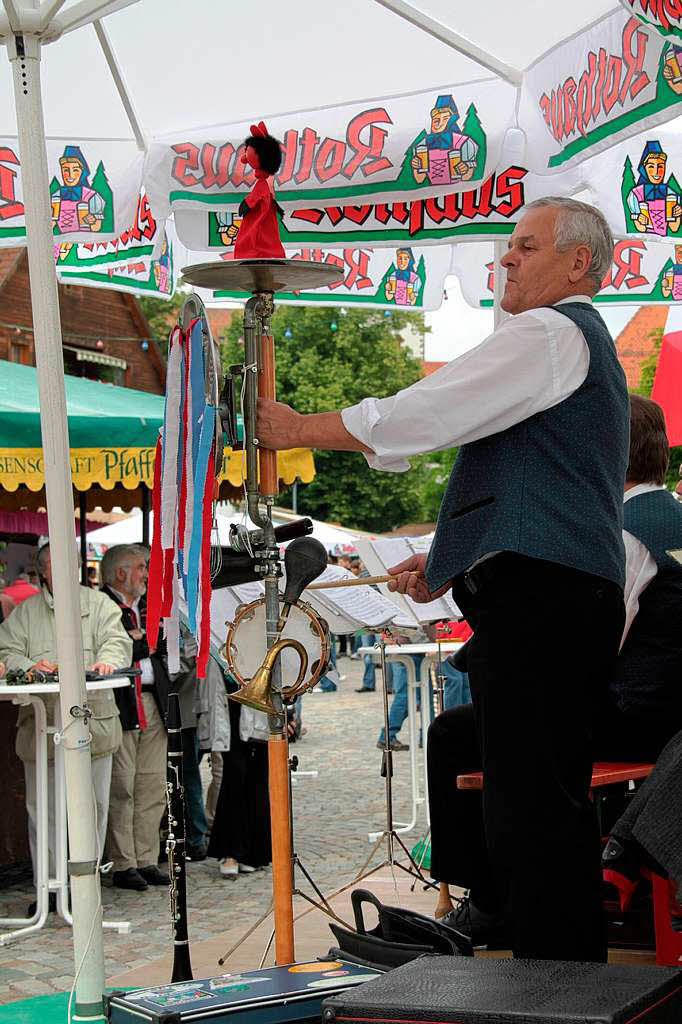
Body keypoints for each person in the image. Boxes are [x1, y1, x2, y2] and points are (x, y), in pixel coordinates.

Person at [256, 197, 628, 963]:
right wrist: (454, 560)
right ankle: (551, 973)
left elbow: (422, 414)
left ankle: (557, 984)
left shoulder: (552, 332)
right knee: (530, 803)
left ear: (578, 262)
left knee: (531, 809)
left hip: (549, 602)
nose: (507, 259)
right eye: (508, 247)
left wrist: (297, 430)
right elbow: (530, 484)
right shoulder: (563, 343)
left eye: (525, 246)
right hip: (553, 595)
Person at [0, 542, 131, 910]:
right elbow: (5, 650)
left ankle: (86, 892)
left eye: (72, 562)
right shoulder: (26, 613)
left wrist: (107, 661)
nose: (68, 569)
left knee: (93, 809)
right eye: (58, 564)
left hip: (94, 726)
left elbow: (117, 642)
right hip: (41, 728)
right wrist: (26, 666)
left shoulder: (98, 604)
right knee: (43, 812)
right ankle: (49, 888)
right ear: (43, 570)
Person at [100, 544, 169, 891]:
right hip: (121, 703)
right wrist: (140, 644)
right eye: (141, 567)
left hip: (152, 702)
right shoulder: (102, 606)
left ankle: (146, 857)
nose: (145, 573)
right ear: (120, 573)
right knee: (122, 786)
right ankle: (123, 862)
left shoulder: (146, 606)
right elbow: (124, 651)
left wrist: (142, 642)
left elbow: (159, 644)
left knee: (151, 784)